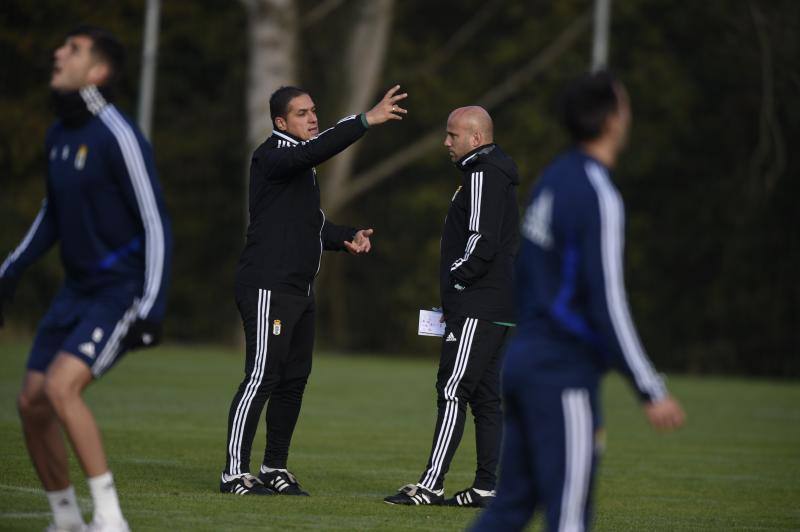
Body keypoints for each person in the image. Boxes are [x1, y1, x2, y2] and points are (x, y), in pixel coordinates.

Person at [471, 71, 686, 531]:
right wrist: (648, 386)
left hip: (525, 362)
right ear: (610, 120)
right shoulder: (597, 192)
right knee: (569, 518)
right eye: (624, 106)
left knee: (510, 509)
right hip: (562, 374)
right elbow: (609, 300)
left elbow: (526, 274)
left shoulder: (553, 177)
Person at [0, 26, 172, 532]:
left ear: (97, 71)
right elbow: (51, 215)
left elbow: (156, 222)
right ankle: (67, 520)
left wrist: (152, 307)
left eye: (71, 49)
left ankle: (111, 520)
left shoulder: (118, 133)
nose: (57, 51)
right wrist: (9, 271)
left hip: (119, 291)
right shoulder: (59, 135)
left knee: (59, 388)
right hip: (73, 292)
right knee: (30, 403)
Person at [219, 84, 408, 496]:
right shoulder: (273, 155)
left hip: (299, 289)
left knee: (294, 380)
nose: (312, 118)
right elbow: (314, 150)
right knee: (262, 376)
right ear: (280, 122)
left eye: (314, 110)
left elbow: (310, 225)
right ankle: (234, 473)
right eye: (302, 113)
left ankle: (274, 467)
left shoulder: (300, 167)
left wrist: (346, 236)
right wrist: (364, 120)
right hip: (268, 286)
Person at [384, 106, 519, 508]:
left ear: (475, 139)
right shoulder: (495, 173)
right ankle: (486, 487)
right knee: (485, 397)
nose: (446, 142)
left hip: (477, 302)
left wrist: (456, 282)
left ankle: (432, 485)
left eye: (452, 135)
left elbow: (481, 241)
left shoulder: (481, 174)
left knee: (453, 387)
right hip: (499, 303)